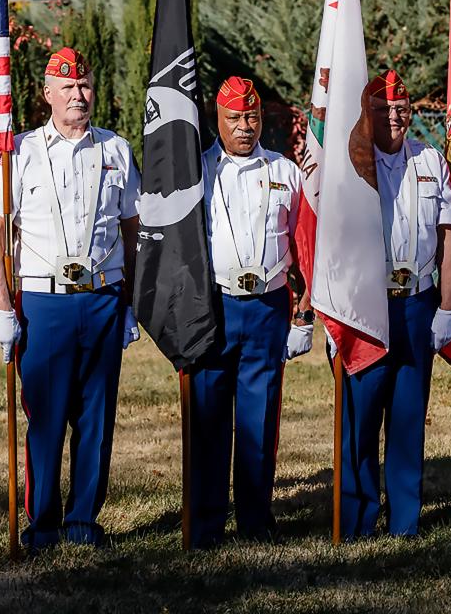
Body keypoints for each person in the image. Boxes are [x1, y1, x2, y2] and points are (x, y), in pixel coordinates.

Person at [0, 46, 142, 552]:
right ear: (46, 94)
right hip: (44, 302)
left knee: (95, 418)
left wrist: (131, 302)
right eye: (67, 87)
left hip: (101, 300)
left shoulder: (116, 150)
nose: (78, 95)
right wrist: (4, 311)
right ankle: (43, 525)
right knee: (46, 418)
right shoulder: (19, 153)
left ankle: (84, 522)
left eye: (85, 86)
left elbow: (133, 231)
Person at [188, 75, 312, 549]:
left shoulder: (285, 171)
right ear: (217, 120)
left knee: (260, 418)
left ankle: (256, 519)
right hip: (215, 306)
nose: (244, 127)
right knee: (209, 416)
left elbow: (305, 245)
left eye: (252, 117)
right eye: (235, 118)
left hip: (266, 305)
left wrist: (303, 315)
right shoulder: (198, 174)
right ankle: (206, 524)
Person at [339, 69, 451, 539]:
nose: (393, 115)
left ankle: (405, 520)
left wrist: (448, 307)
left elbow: (450, 235)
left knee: (409, 417)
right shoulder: (351, 166)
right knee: (362, 418)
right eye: (382, 107)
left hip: (416, 305)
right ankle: (357, 518)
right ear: (366, 113)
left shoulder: (432, 161)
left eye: (401, 106)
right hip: (366, 306)